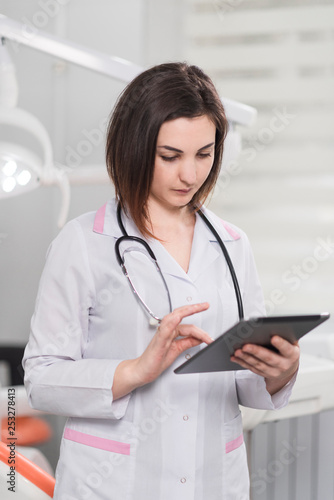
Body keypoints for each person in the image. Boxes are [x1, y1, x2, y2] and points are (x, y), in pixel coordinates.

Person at [23, 62, 300, 500]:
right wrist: (135, 371)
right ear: (134, 148)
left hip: (214, 482)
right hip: (114, 483)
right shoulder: (83, 243)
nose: (190, 175)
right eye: (170, 156)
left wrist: (279, 373)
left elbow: (246, 379)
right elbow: (42, 379)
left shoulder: (232, 244)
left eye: (204, 154)